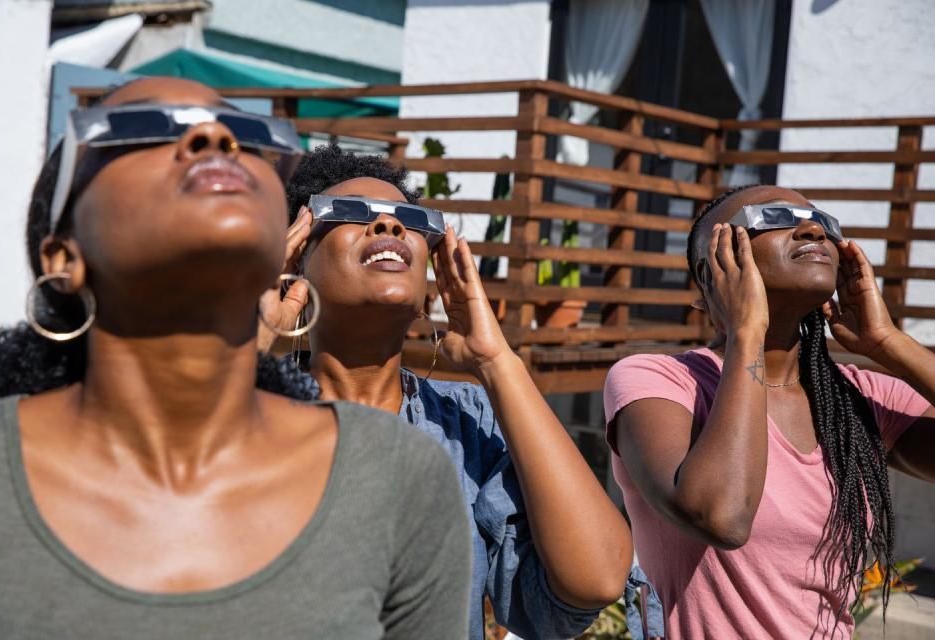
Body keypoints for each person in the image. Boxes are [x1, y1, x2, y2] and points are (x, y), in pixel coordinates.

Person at [0, 78, 471, 639]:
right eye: (143, 129)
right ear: (65, 257)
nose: (215, 137)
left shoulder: (399, 477)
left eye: (247, 133)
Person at [261, 144, 633, 640]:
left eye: (409, 219)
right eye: (350, 212)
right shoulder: (248, 407)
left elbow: (596, 578)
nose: (389, 227)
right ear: (296, 257)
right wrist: (254, 348)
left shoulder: (466, 422)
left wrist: (497, 363)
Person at [603, 184, 935, 639]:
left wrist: (889, 343)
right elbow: (722, 517)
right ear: (713, 269)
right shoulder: (658, 382)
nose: (813, 229)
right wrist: (746, 332)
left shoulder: (858, 398)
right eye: (774, 216)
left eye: (823, 222)